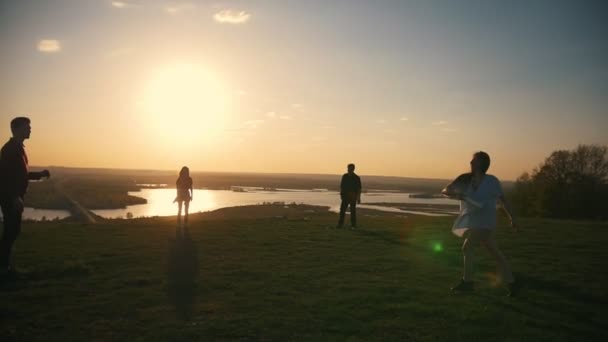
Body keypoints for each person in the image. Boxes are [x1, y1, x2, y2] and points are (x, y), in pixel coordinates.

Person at [442, 151, 520, 296]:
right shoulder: (465, 179)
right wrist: (456, 194)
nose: (470, 163)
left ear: (481, 164)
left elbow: (503, 200)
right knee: (495, 253)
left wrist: (512, 218)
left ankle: (468, 283)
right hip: (474, 223)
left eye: (474, 161)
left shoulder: (492, 181)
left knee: (467, 247)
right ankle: (513, 284)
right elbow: (445, 190)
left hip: (486, 222)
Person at [0, 117, 50, 277]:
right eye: (27, 127)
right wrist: (15, 197)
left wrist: (39, 175)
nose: (30, 129)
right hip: (10, 198)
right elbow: (5, 176)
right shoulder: (9, 149)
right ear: (17, 129)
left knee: (13, 231)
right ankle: (4, 268)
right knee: (11, 231)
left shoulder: (18, 148)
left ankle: (6, 267)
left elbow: (20, 174)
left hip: (14, 197)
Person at [337, 163, 362, 229]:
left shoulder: (356, 178)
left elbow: (359, 188)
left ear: (353, 169)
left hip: (353, 196)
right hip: (345, 196)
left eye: (350, 168)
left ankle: (353, 225)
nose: (348, 170)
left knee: (352, 211)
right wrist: (341, 194)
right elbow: (342, 186)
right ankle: (340, 224)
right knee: (342, 210)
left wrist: (358, 198)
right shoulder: (345, 176)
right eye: (348, 168)